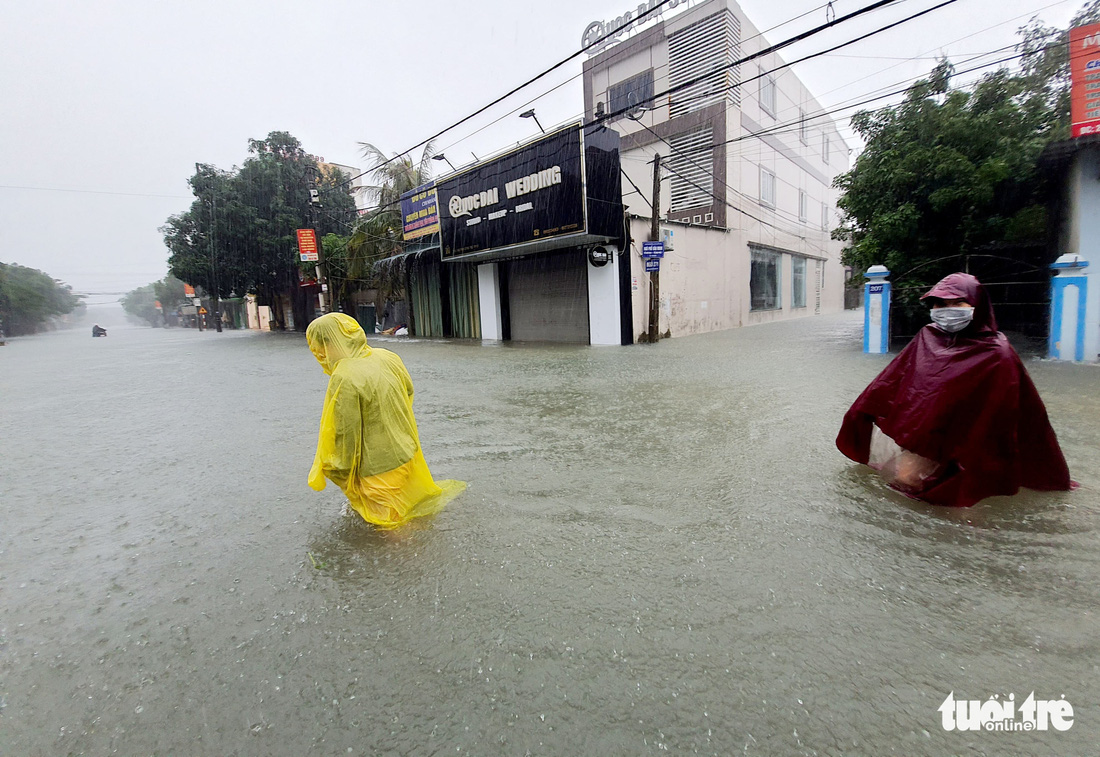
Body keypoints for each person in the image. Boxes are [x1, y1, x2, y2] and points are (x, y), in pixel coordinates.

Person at [836, 272, 1071, 507]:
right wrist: (862, 410)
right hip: (929, 435)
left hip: (971, 441)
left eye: (957, 303)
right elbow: (894, 381)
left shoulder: (998, 352)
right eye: (940, 304)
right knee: (905, 483)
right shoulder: (928, 337)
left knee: (962, 500)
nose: (947, 310)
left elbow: (1008, 410)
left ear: (976, 305)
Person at [305, 312, 465, 527]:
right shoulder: (386, 356)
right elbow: (408, 391)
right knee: (410, 509)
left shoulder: (344, 376)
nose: (320, 355)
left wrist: (337, 469)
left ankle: (413, 559)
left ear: (328, 344)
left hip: (378, 469)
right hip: (407, 451)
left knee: (390, 528)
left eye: (320, 348)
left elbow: (346, 432)